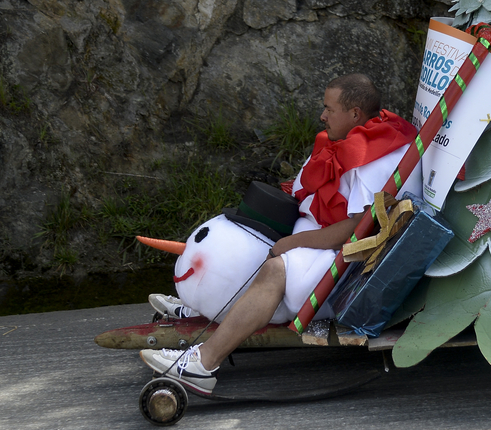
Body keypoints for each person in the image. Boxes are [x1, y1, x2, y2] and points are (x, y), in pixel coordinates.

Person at [141, 73, 419, 394]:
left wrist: (293, 242)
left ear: (355, 113)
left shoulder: (373, 159)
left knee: (274, 268)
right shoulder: (355, 137)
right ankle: (206, 304)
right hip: (319, 242)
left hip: (347, 266)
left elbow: (357, 230)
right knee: (248, 239)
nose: (322, 115)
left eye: (329, 109)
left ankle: (202, 365)